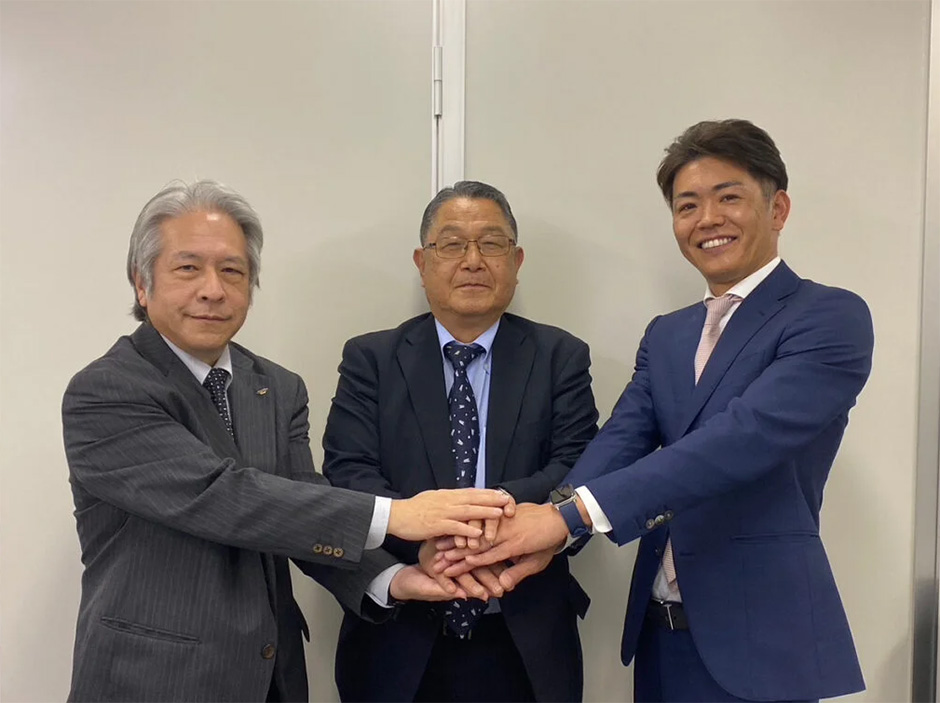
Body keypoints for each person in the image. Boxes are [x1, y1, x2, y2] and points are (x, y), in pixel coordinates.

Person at [443, 120, 874, 702]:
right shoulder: (668, 334)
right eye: (687, 205)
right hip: (659, 633)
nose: (707, 219)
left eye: (728, 198)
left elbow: (739, 439)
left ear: (778, 209)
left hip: (763, 642)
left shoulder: (828, 317)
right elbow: (622, 437)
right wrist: (551, 524)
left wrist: (569, 518)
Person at [62, 180, 513, 702]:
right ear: (142, 284)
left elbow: (300, 504)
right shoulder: (107, 390)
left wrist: (391, 579)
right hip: (152, 679)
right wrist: (399, 515)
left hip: (271, 675)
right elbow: (222, 496)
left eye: (233, 271)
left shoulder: (276, 387)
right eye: (188, 268)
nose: (213, 289)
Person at [322, 180, 599, 702]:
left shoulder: (560, 356)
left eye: (491, 244)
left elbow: (578, 465)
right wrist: (426, 540)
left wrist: (488, 526)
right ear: (422, 262)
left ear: (516, 261)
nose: (473, 261)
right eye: (452, 244)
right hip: (396, 634)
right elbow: (348, 472)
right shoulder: (371, 359)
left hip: (525, 633)